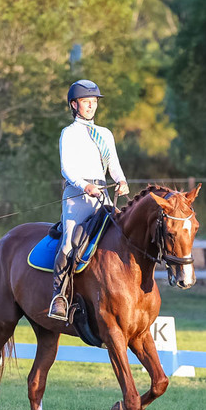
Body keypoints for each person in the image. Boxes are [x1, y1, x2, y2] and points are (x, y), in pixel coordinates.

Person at [48, 79, 129, 320]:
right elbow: (67, 168)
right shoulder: (69, 133)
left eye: (94, 102)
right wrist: (85, 185)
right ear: (74, 105)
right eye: (86, 102)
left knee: (119, 236)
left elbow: (113, 164)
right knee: (69, 244)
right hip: (78, 195)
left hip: (103, 193)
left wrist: (122, 180)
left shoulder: (105, 133)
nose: (91, 106)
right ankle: (59, 297)